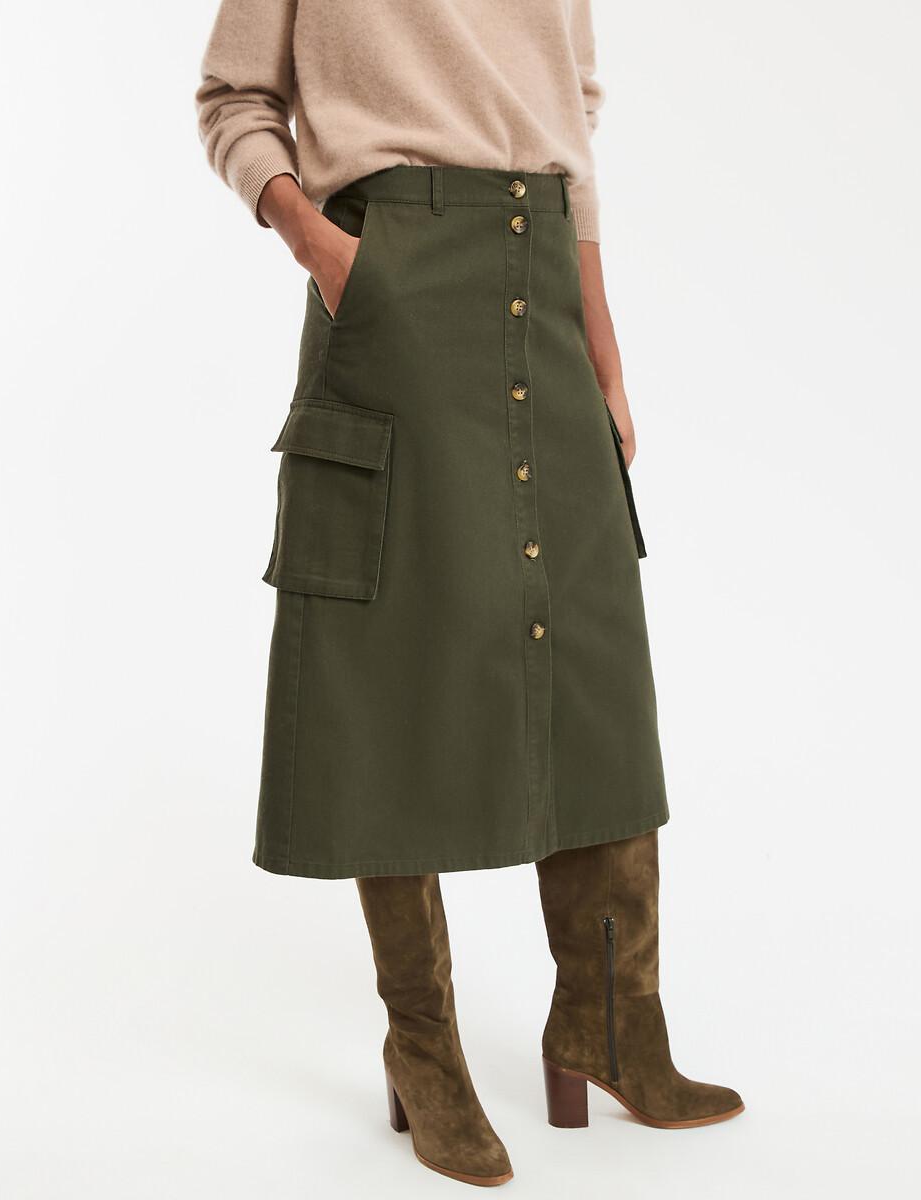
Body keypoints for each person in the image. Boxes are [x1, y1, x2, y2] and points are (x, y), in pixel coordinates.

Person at [196, 0, 743, 1186]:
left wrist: (600, 330)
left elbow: (568, 116)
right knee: (391, 657)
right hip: (388, 263)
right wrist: (320, 244)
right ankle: (424, 1049)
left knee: (588, 650)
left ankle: (609, 1025)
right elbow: (234, 100)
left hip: (543, 265)